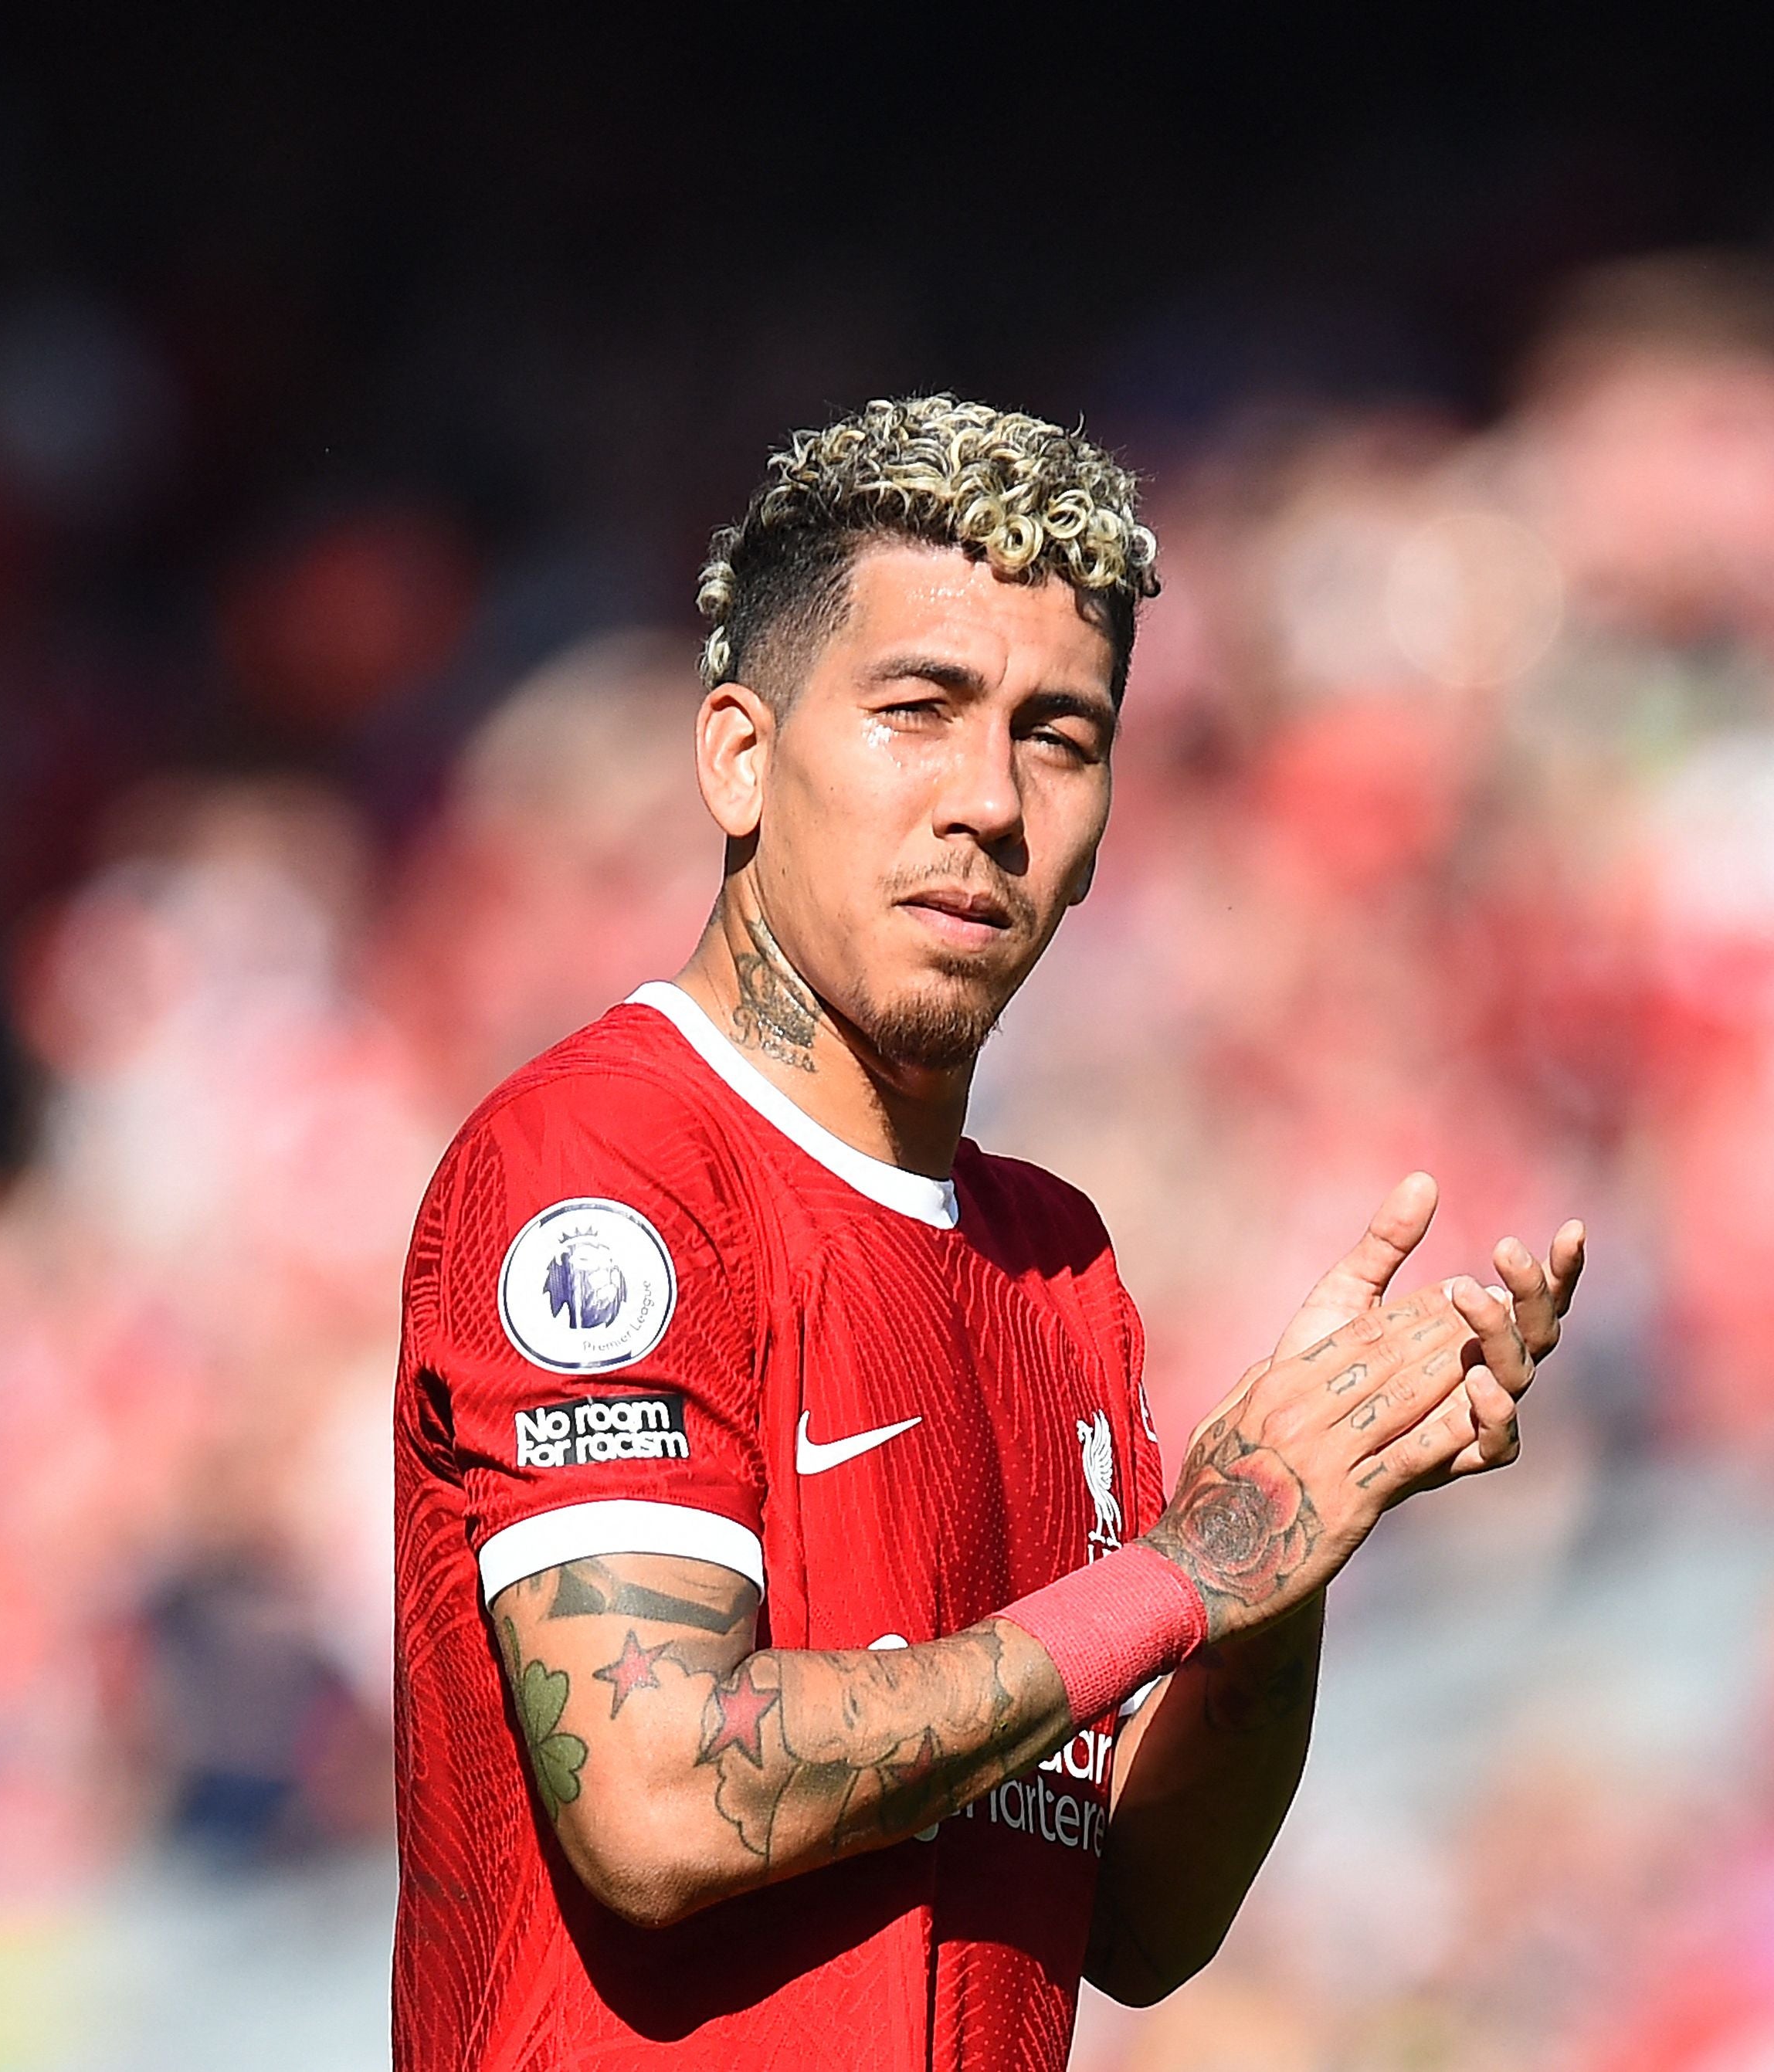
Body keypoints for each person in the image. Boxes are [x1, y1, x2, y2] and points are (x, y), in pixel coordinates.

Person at [389, 396, 1589, 2070]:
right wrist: (1180, 1574)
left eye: (1058, 736)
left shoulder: (1055, 1265)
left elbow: (1137, 1924)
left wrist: (1288, 1552)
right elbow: (657, 1796)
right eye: (916, 711)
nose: (989, 800)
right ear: (739, 754)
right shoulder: (608, 1162)